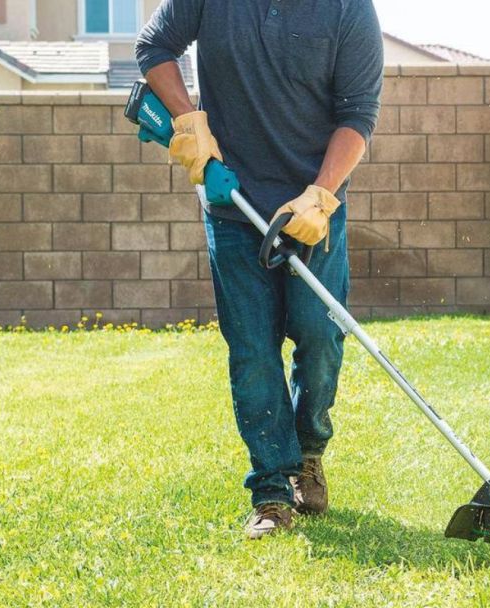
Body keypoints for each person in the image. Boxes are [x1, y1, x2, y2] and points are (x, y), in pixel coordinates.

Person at [135, 0, 383, 539]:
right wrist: (189, 124)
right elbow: (153, 49)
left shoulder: (348, 10)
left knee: (320, 338)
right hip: (232, 202)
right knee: (252, 348)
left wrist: (320, 195)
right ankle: (272, 490)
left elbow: (358, 113)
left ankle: (309, 448)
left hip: (311, 205)